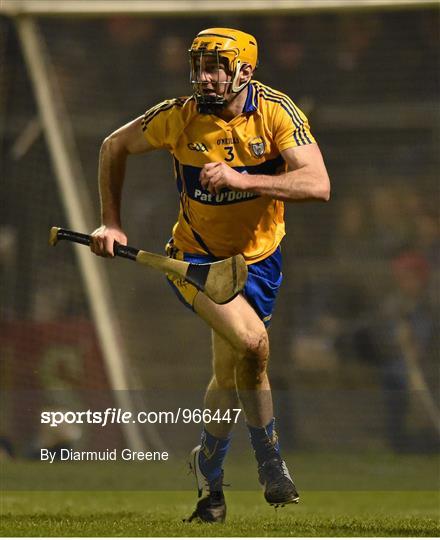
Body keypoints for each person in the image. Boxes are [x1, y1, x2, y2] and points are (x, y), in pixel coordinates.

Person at [90, 28, 330, 523]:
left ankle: (208, 479)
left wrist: (244, 179)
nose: (204, 75)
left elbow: (318, 183)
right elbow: (113, 146)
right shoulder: (179, 116)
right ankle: (270, 460)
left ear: (245, 71)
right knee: (254, 343)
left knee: (231, 373)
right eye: (199, 65)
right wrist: (112, 222)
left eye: (216, 66)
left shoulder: (276, 112)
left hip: (260, 262)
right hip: (193, 261)